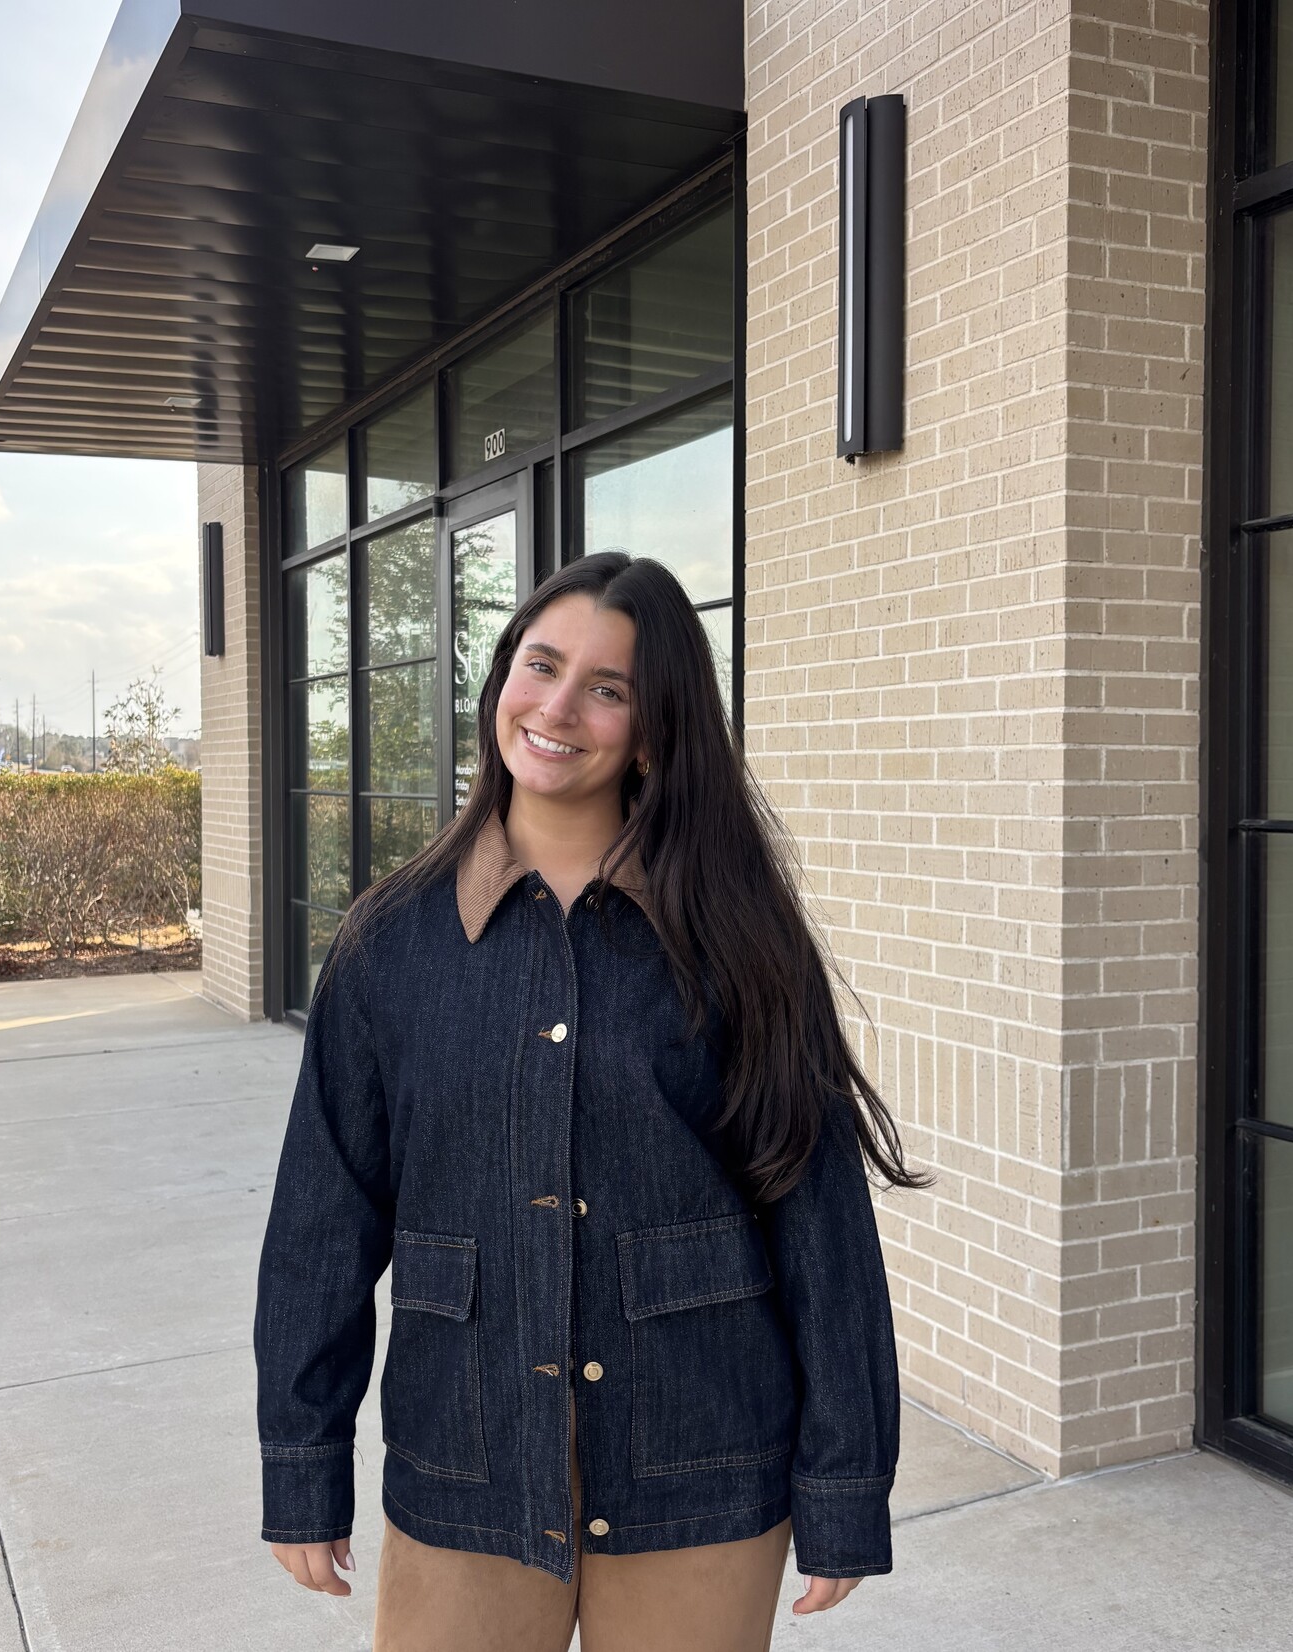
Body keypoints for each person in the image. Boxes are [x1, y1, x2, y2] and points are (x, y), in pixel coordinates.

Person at [253, 551, 928, 1651]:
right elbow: (322, 1221)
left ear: (653, 730)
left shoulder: (738, 937)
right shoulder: (389, 942)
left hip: (700, 1460)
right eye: (541, 665)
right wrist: (302, 1459)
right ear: (499, 683)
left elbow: (819, 1221)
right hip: (463, 1460)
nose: (558, 708)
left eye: (606, 688)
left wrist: (845, 1482)